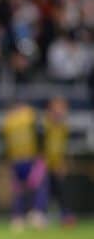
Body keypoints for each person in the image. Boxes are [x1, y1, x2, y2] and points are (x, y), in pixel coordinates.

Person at [0, 100, 47, 231]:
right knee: (36, 187)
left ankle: (19, 218)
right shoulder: (30, 116)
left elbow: (4, 142)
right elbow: (41, 135)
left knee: (20, 190)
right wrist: (41, 154)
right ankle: (34, 215)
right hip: (29, 158)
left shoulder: (8, 121)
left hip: (17, 159)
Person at [42, 97, 75, 227]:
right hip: (44, 166)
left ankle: (65, 216)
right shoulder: (44, 125)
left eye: (62, 108)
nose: (60, 111)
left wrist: (63, 163)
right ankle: (41, 217)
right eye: (57, 108)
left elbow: (62, 148)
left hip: (56, 165)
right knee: (43, 193)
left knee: (60, 192)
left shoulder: (63, 127)